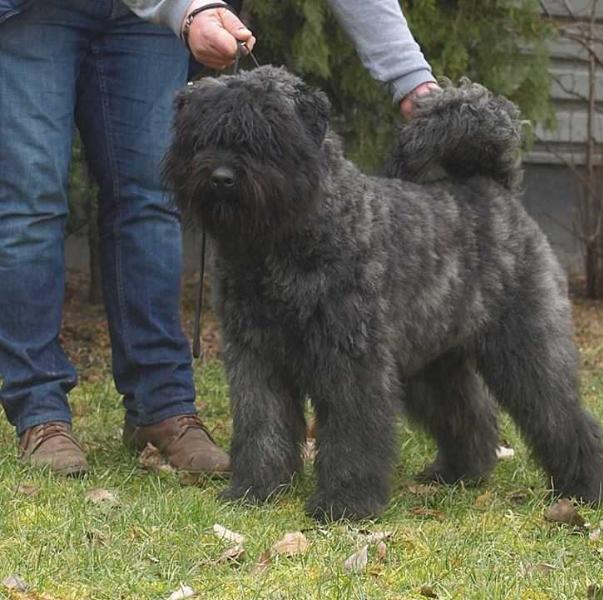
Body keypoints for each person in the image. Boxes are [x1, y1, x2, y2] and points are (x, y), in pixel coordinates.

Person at [0, 0, 438, 476]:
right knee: (32, 199)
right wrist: (185, 8)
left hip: (147, 23)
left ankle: (162, 407)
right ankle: (40, 413)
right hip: (33, 10)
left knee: (149, 199)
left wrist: (408, 74)